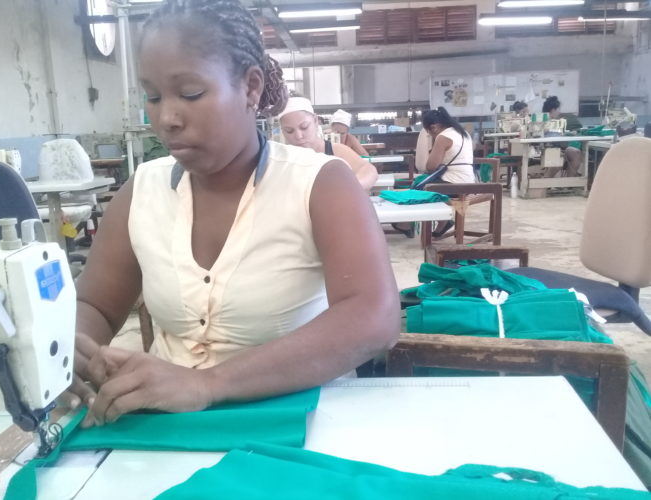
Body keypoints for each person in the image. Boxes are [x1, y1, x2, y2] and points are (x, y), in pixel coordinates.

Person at [68, 0, 399, 427]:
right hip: (163, 425)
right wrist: (75, 352)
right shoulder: (141, 191)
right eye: (152, 96)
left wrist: (208, 383)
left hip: (299, 422)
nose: (166, 118)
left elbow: (374, 317)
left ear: (250, 87)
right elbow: (95, 304)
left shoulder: (320, 184)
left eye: (190, 93)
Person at [279, 97, 379, 191]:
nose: (299, 136)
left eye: (304, 127)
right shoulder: (279, 158)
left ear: (315, 121)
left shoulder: (336, 151)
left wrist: (351, 188)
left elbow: (368, 170)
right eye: (289, 131)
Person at [420, 107, 475, 236]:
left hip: (455, 184)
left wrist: (431, 151)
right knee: (426, 185)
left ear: (434, 127)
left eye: (429, 133)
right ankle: (443, 222)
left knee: (421, 188)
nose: (431, 136)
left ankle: (442, 221)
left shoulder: (443, 137)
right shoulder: (464, 133)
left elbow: (431, 166)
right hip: (470, 182)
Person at [542, 96, 582, 177]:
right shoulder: (543, 120)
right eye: (558, 109)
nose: (559, 112)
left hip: (561, 147)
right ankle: (546, 180)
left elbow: (556, 134)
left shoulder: (556, 122)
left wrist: (567, 134)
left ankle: (568, 181)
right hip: (547, 148)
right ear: (553, 110)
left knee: (576, 153)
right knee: (558, 157)